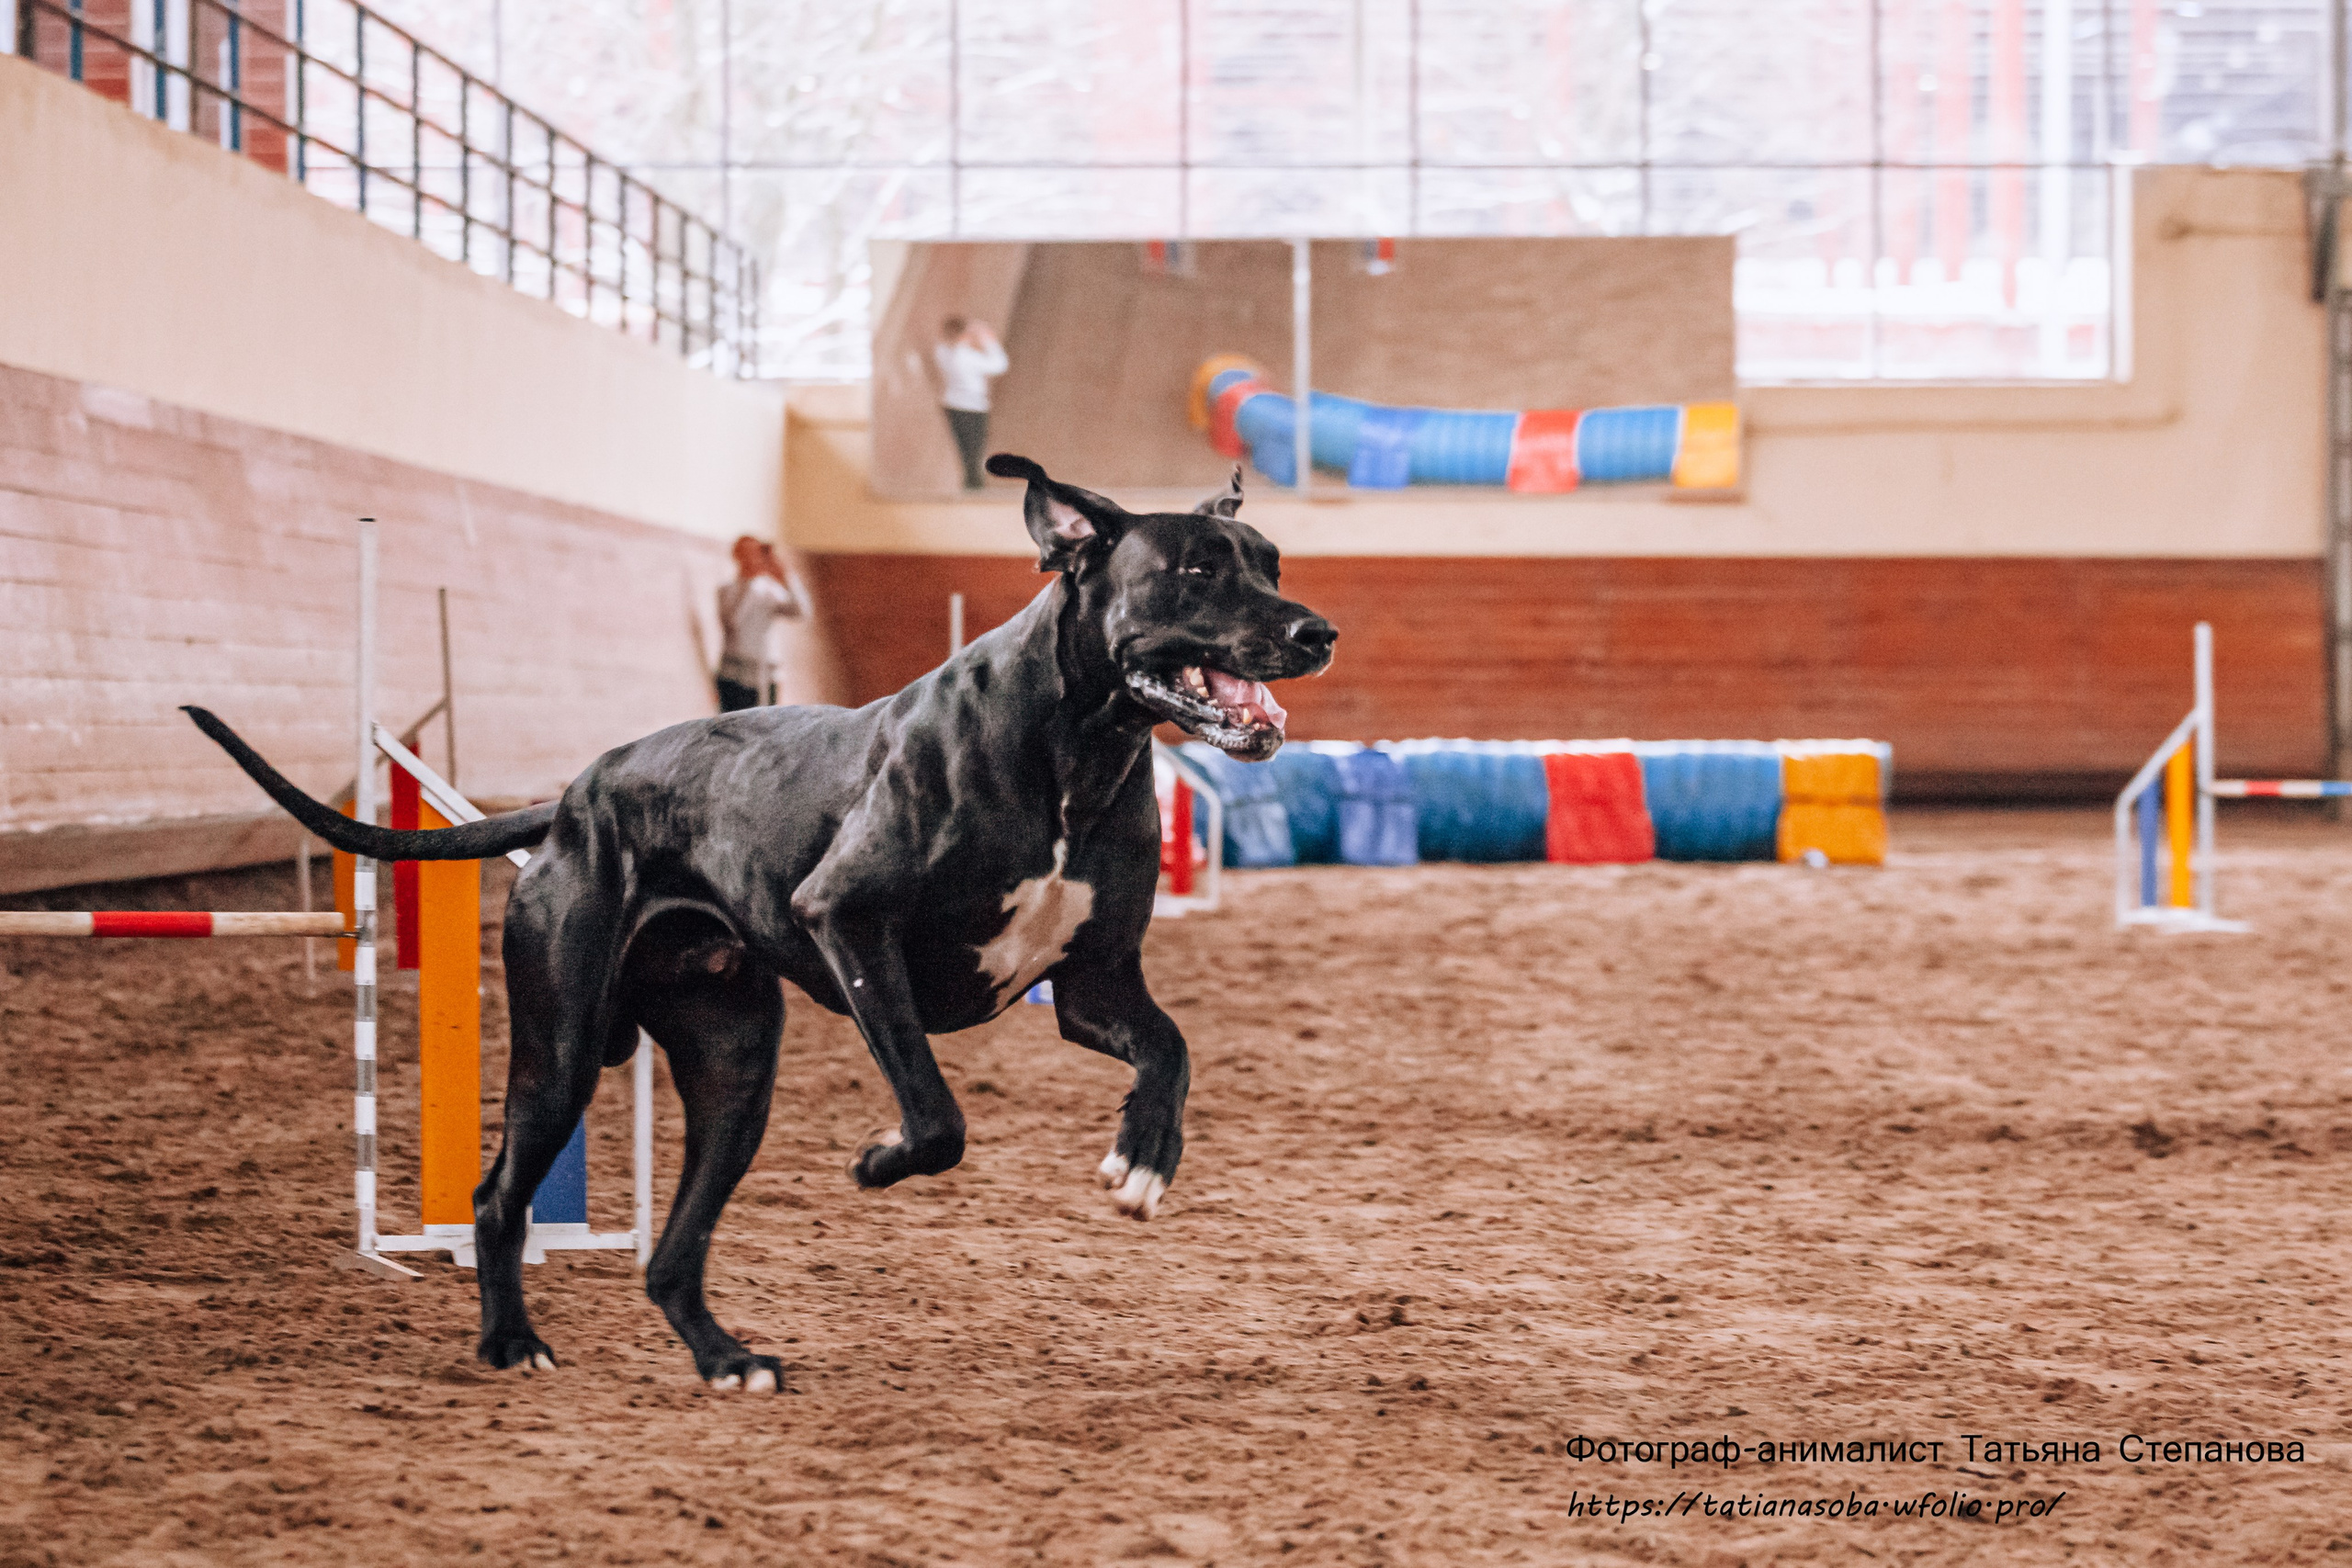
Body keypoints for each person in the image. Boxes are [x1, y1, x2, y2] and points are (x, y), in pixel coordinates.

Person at [715, 536, 807, 712]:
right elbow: (734, 622)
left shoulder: (769, 591)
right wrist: (749, 582)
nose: (752, 558)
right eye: (747, 552)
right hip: (733, 674)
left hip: (764, 674)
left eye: (756, 553)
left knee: (763, 731)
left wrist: (784, 575)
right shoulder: (726, 590)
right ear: (737, 555)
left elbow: (801, 611)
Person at [933, 315, 1009, 491]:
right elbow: (1000, 365)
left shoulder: (943, 352)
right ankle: (975, 488)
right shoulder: (966, 356)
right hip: (974, 408)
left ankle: (970, 485)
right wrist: (988, 341)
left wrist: (966, 334)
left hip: (952, 405)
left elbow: (944, 343)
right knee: (975, 451)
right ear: (964, 335)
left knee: (965, 451)